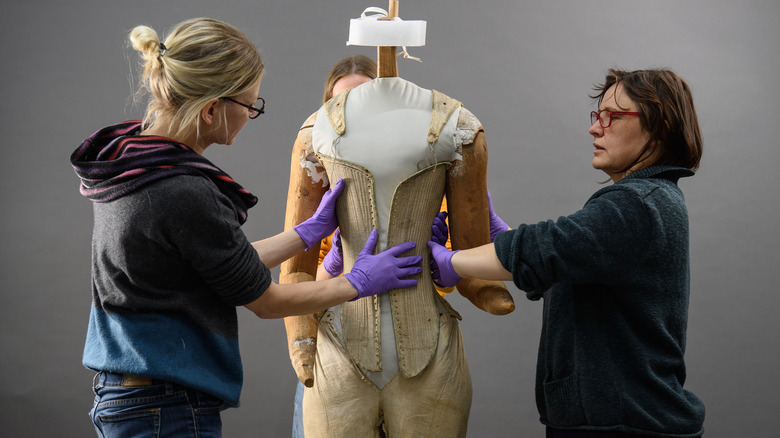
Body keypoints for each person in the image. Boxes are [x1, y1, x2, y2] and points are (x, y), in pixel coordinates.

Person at [69, 18, 422, 438]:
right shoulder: (181, 190)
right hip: (165, 404)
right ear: (212, 109)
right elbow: (266, 301)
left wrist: (305, 233)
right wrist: (358, 282)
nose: (251, 116)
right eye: (250, 106)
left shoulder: (134, 164)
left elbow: (210, 265)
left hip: (130, 393)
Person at [428, 68, 705, 437]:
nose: (595, 128)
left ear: (661, 126)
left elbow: (551, 249)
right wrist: (502, 234)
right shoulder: (649, 200)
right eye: (597, 116)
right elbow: (570, 258)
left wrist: (451, 262)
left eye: (612, 117)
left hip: (624, 425)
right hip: (620, 420)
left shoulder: (639, 203)